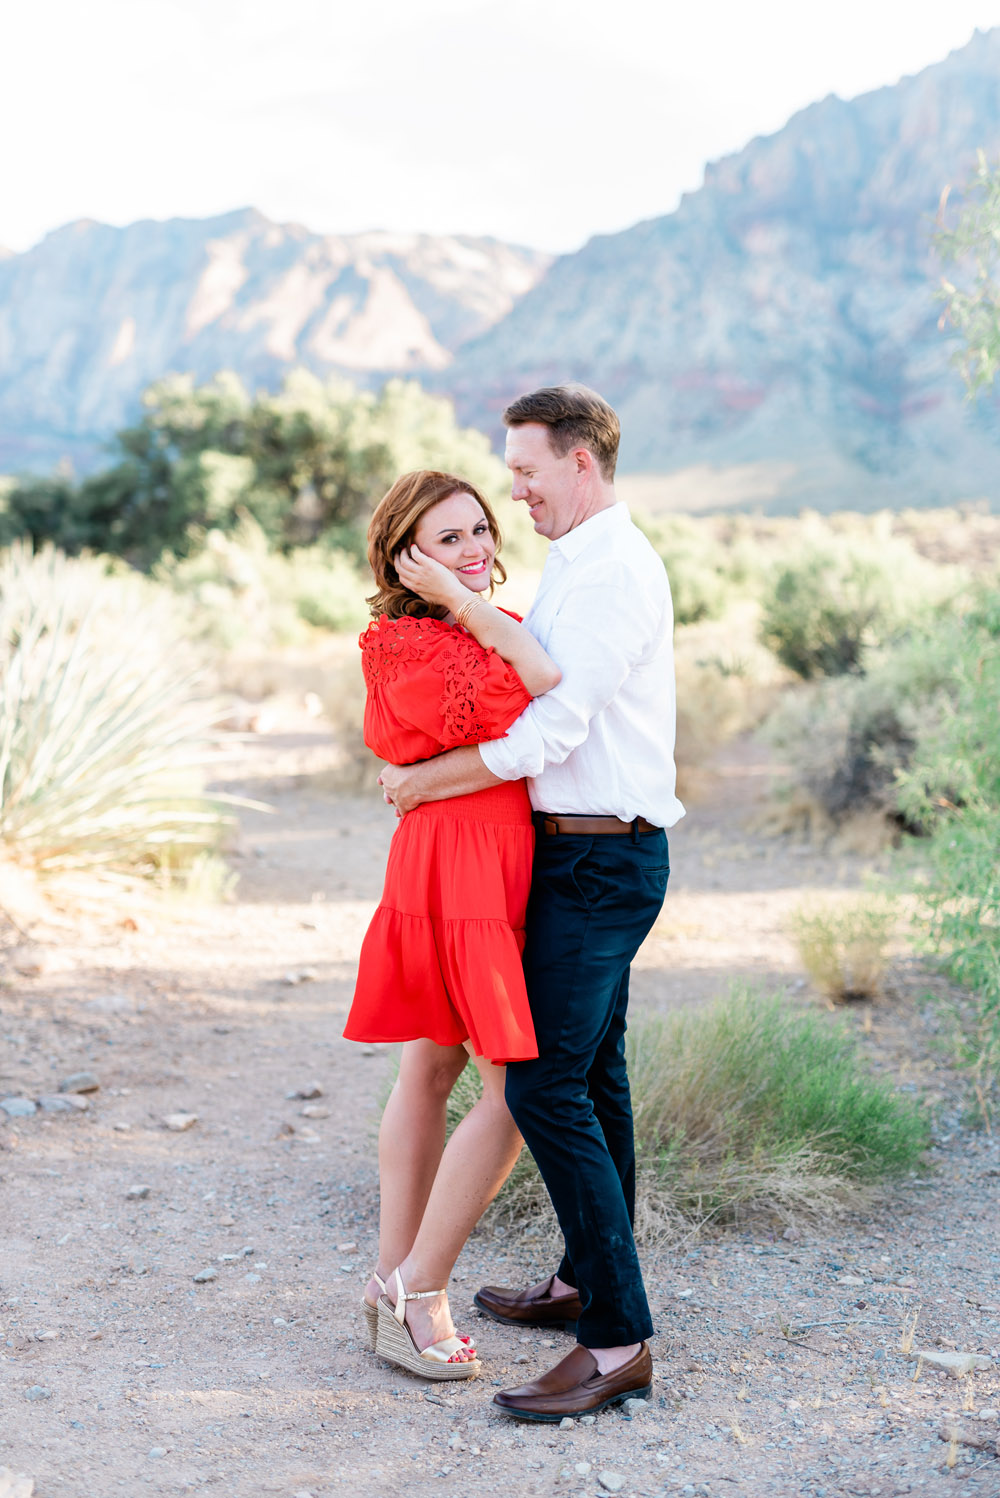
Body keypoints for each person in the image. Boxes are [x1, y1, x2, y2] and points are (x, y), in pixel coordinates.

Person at [378, 384, 685, 1420]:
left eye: (525, 470)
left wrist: (429, 779)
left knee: (544, 1083)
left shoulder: (609, 576)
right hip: (575, 858)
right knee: (594, 1077)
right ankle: (578, 1282)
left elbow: (553, 728)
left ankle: (616, 1338)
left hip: (601, 863)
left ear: (581, 462)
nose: (515, 489)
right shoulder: (576, 563)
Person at [343, 468, 562, 1383]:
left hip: (468, 852)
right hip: (463, 861)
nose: (476, 551)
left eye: (481, 530)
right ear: (406, 557)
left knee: (432, 1067)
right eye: (448, 540)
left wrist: (463, 604)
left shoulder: (435, 632)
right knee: (517, 1088)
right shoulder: (410, 641)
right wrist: (465, 608)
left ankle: (390, 1281)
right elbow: (542, 681)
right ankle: (418, 1291)